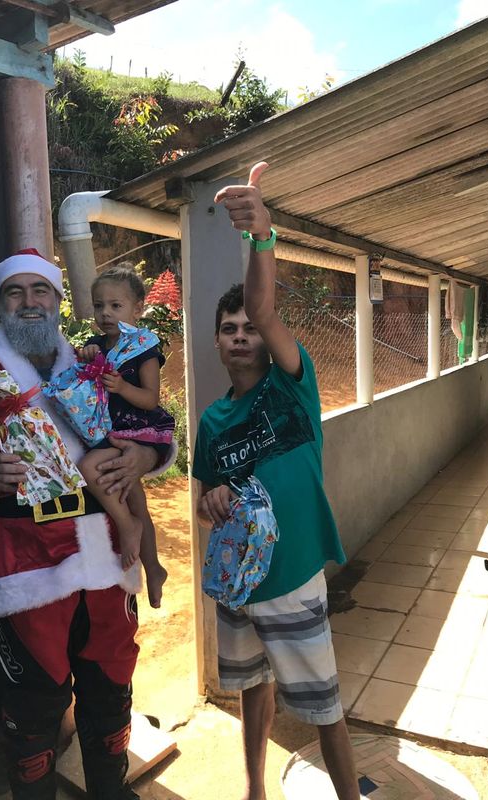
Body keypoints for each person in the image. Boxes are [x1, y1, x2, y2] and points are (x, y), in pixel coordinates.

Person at [0, 249, 176, 800]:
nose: (29, 302)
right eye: (15, 292)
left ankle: (110, 792)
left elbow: (147, 420)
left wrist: (146, 457)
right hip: (25, 562)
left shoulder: (94, 362)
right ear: (0, 303)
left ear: (57, 300)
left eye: (40, 291)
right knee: (34, 707)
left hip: (107, 557)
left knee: (111, 690)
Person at [192, 163, 360, 800]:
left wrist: (262, 234)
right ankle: (255, 790)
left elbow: (264, 307)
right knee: (251, 689)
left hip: (292, 578)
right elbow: (206, 504)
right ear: (216, 342)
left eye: (249, 329)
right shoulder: (212, 421)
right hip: (238, 584)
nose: (241, 336)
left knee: (324, 707)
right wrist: (213, 500)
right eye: (228, 330)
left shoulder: (293, 385)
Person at [76, 264, 173, 608]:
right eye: (99, 305)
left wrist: (121, 387)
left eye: (116, 306)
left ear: (137, 309)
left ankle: (126, 526)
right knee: (135, 498)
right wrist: (86, 355)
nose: (106, 313)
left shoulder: (143, 348)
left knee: (89, 468)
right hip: (110, 429)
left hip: (138, 429)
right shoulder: (97, 345)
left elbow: (151, 399)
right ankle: (154, 569)